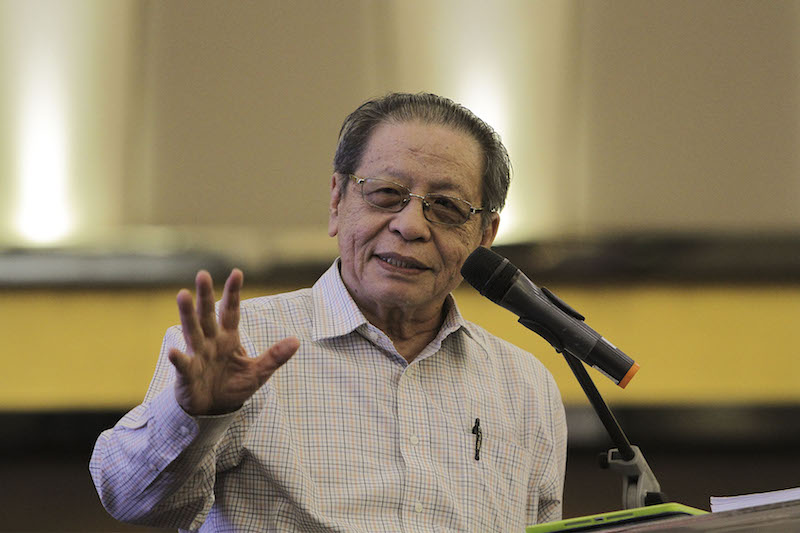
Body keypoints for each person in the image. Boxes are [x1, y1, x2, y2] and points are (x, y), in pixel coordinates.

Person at [90, 92, 567, 532]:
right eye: (385, 194)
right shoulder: (234, 345)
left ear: (485, 236)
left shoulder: (525, 385)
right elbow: (128, 498)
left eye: (445, 206)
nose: (410, 225)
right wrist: (195, 415)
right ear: (338, 201)